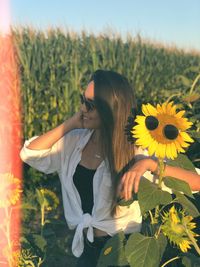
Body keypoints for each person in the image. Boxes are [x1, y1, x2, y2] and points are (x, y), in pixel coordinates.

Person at [20, 69, 200, 267]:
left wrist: (150, 164)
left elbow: (196, 181)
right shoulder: (75, 141)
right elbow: (30, 154)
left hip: (121, 252)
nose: (83, 109)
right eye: (82, 100)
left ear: (112, 110)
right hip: (87, 246)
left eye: (90, 105)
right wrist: (71, 123)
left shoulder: (136, 152)